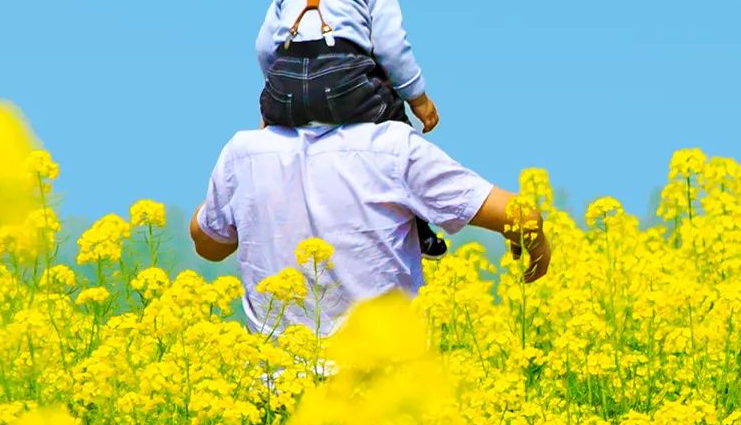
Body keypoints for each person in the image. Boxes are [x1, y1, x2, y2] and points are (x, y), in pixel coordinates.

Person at [189, 118, 550, 337]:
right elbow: (522, 216)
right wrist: (533, 248)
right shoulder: (392, 147)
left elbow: (209, 244)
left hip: (278, 397)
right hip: (384, 394)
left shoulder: (246, 153)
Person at [255, 0, 446, 257]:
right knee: (393, 124)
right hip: (342, 82)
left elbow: (264, 47)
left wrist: (277, 100)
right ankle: (418, 225)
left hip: (286, 85)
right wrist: (418, 99)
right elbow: (393, 49)